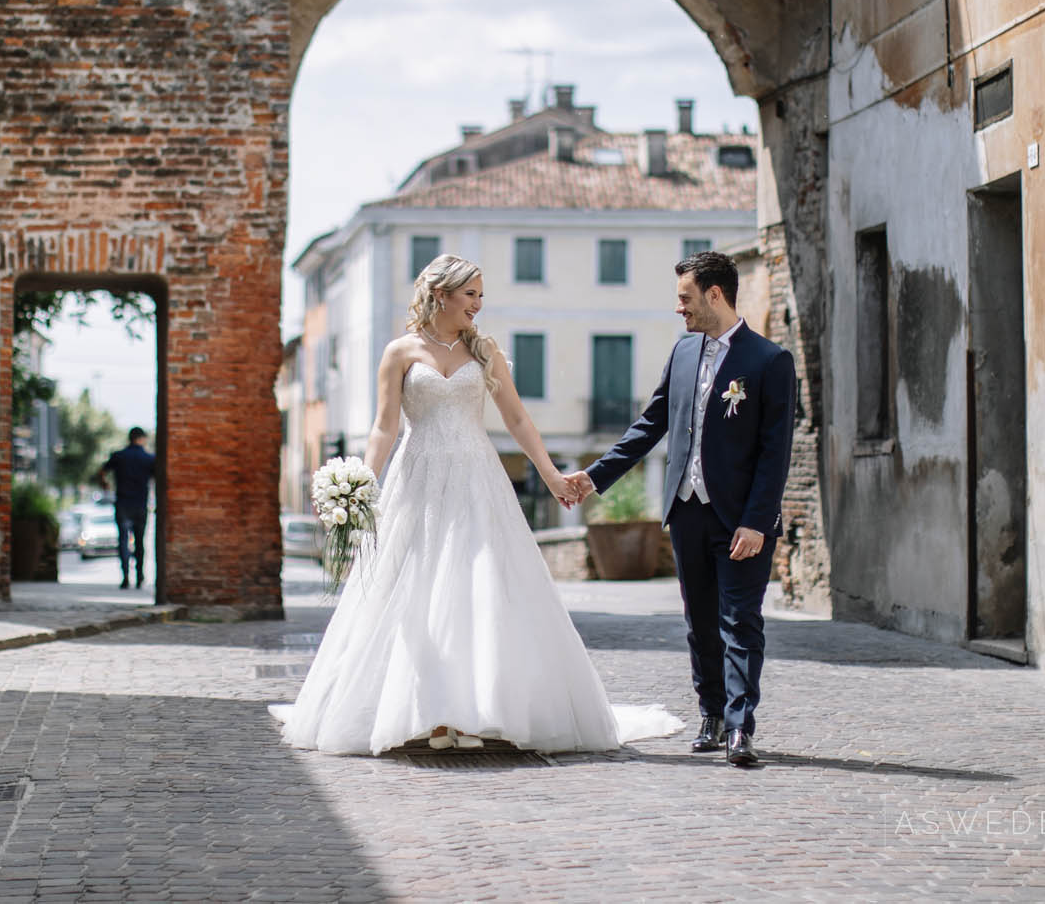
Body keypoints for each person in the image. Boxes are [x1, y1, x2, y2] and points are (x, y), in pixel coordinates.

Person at [272, 255, 680, 754]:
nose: (478, 305)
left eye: (481, 296)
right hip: (417, 478)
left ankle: (476, 714)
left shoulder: (485, 352)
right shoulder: (399, 352)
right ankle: (428, 715)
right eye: (471, 295)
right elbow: (385, 426)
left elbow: (517, 420)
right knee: (414, 591)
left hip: (475, 477)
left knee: (477, 587)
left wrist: (553, 477)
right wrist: (362, 483)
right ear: (441, 294)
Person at [569, 250, 795, 769]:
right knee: (699, 622)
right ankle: (712, 715)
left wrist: (757, 522)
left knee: (741, 622)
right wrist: (593, 477)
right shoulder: (684, 353)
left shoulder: (769, 362)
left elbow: (774, 452)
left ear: (715, 294)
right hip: (687, 511)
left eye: (685, 298)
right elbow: (649, 427)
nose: (680, 309)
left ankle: (741, 728)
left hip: (741, 520)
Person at [95, 426, 155, 590]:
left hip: (122, 503)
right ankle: (140, 576)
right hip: (140, 505)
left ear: (130, 438)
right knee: (140, 542)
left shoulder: (118, 456)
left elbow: (101, 471)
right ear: (142, 439)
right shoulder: (149, 458)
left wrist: (104, 484)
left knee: (123, 541)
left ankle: (125, 577)